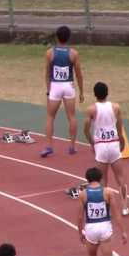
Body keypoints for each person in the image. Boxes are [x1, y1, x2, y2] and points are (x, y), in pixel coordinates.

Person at [83, 82, 129, 216]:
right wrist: (121, 139)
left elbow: (86, 129)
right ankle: (125, 207)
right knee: (120, 178)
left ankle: (105, 208)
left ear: (94, 94)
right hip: (113, 144)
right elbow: (120, 126)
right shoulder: (116, 107)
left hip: (101, 146)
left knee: (103, 179)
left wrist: (92, 143)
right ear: (107, 92)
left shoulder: (91, 109)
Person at [40, 26, 84, 158]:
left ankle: (48, 146)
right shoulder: (74, 53)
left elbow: (47, 73)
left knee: (50, 117)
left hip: (55, 86)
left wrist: (49, 91)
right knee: (71, 117)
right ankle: (72, 146)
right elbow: (79, 75)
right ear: (68, 37)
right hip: (68, 86)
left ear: (56, 37)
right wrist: (81, 92)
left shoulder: (49, 53)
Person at [77, 167, 127, 256]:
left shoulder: (83, 194)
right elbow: (116, 214)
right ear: (100, 178)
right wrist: (123, 231)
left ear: (87, 179)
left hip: (91, 228)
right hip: (105, 227)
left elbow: (80, 217)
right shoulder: (108, 192)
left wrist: (80, 232)